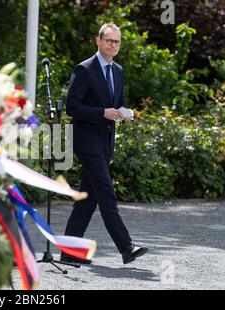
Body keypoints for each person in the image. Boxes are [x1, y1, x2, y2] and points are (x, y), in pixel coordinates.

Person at [61, 23, 148, 265]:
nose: (113, 45)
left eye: (116, 42)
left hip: (105, 143)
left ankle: (68, 252)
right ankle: (126, 247)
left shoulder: (118, 71)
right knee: (107, 195)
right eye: (108, 41)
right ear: (98, 41)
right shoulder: (84, 69)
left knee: (88, 199)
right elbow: (72, 107)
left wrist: (122, 113)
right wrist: (103, 113)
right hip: (87, 143)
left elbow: (115, 104)